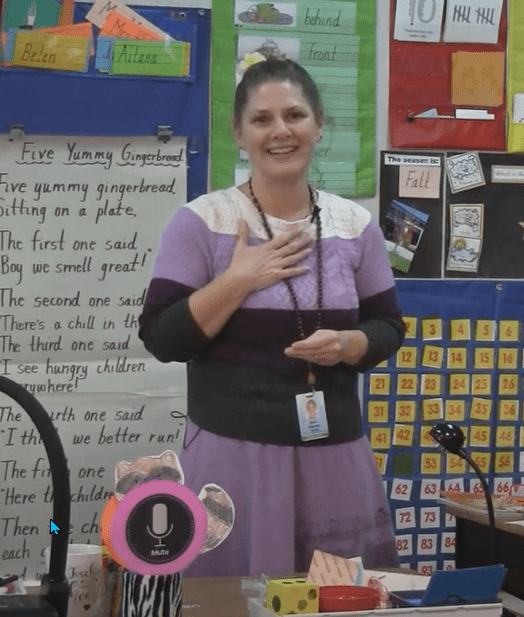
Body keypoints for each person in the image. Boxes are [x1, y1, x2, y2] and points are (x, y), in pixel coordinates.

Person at [138, 58, 404, 576]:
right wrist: (239, 280)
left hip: (334, 456)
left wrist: (350, 346)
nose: (280, 131)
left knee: (338, 599)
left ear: (319, 126)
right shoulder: (200, 223)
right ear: (239, 133)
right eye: (261, 119)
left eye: (295, 115)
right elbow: (162, 339)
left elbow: (388, 327)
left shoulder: (357, 226)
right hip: (232, 460)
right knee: (230, 601)